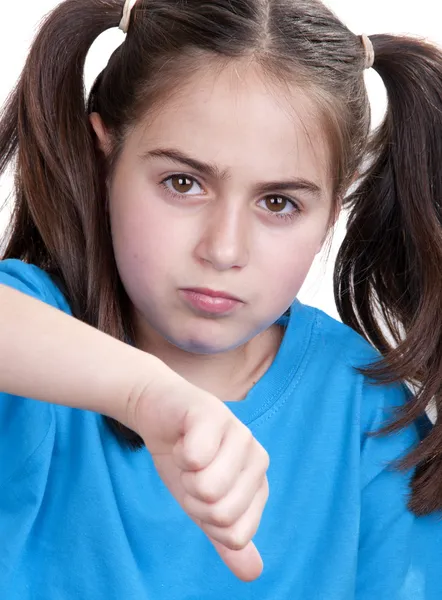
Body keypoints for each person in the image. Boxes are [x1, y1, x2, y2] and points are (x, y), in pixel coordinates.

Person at [0, 0, 439, 597]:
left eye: (279, 203)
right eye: (182, 183)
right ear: (105, 154)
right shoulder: (31, 348)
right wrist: (145, 394)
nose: (224, 249)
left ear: (332, 211)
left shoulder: (367, 411)